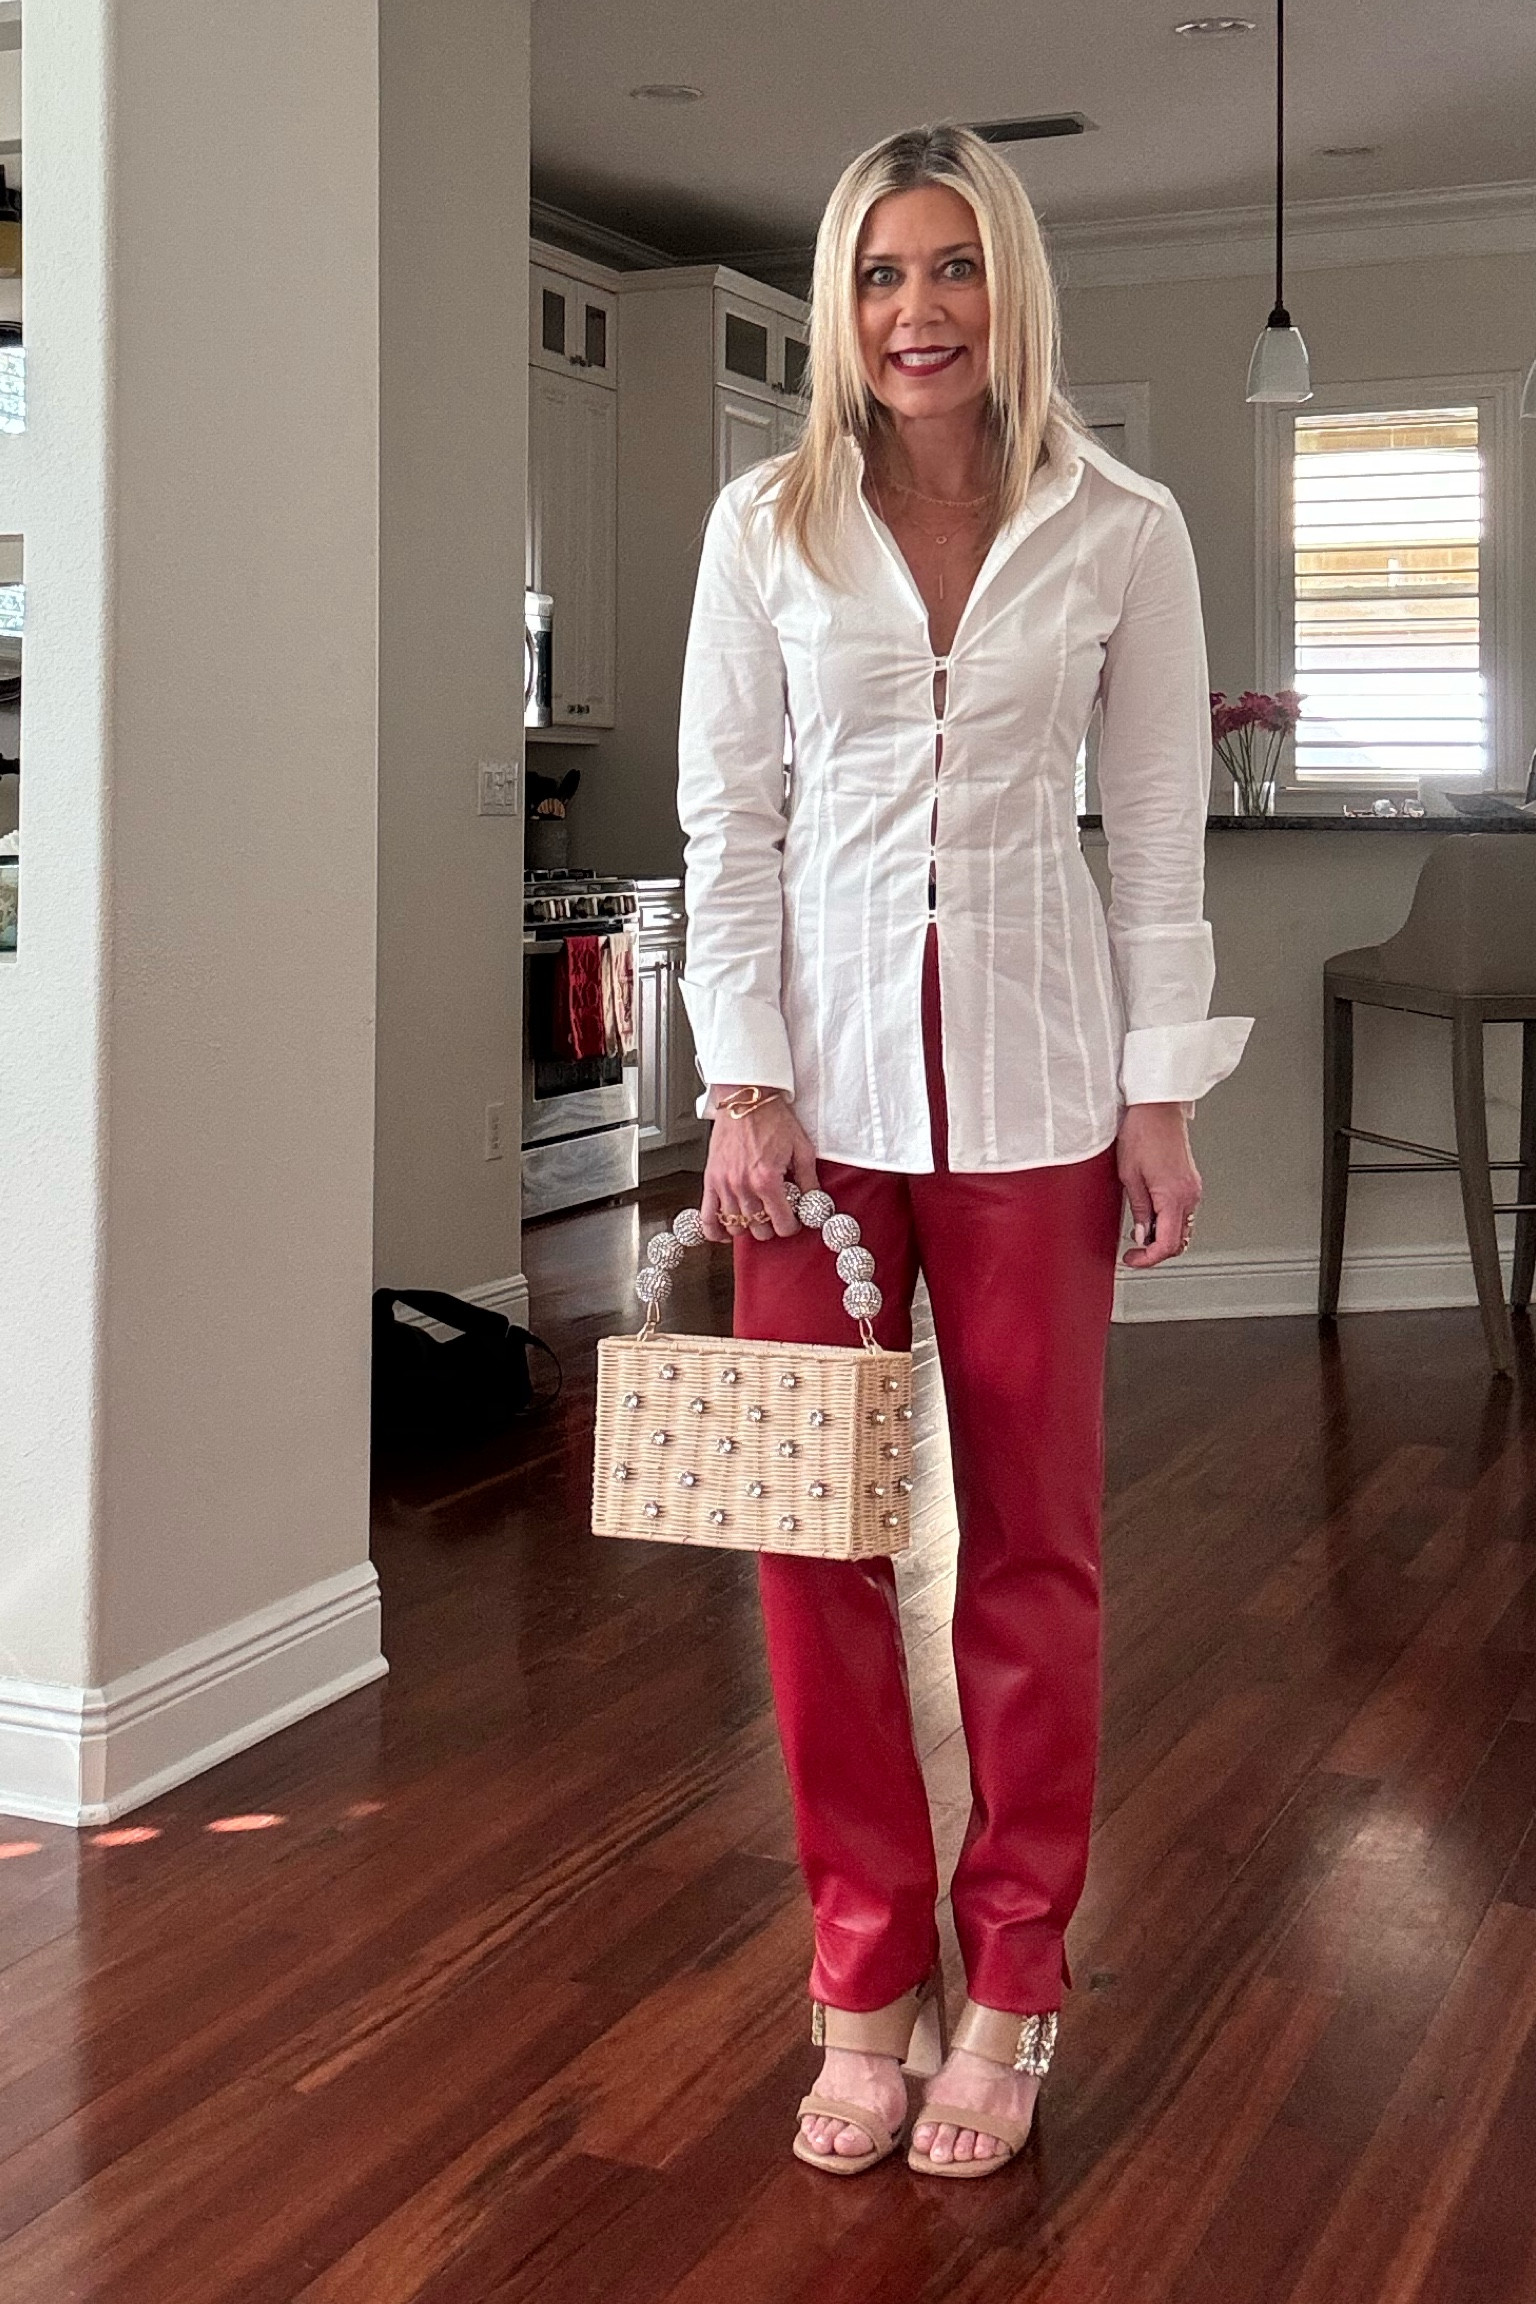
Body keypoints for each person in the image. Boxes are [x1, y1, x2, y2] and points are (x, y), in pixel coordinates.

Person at [675, 122, 1252, 2181]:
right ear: (842, 311)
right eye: (878, 277)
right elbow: (723, 821)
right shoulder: (766, 526)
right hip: (809, 1131)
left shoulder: (1125, 527)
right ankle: (860, 1983)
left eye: (951, 270)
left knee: (1033, 1554)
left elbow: (1163, 827)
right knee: (809, 1541)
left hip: (1034, 1105)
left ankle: (1011, 1984)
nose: (916, 313)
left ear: (1009, 289)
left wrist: (1157, 1095)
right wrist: (739, 1084)